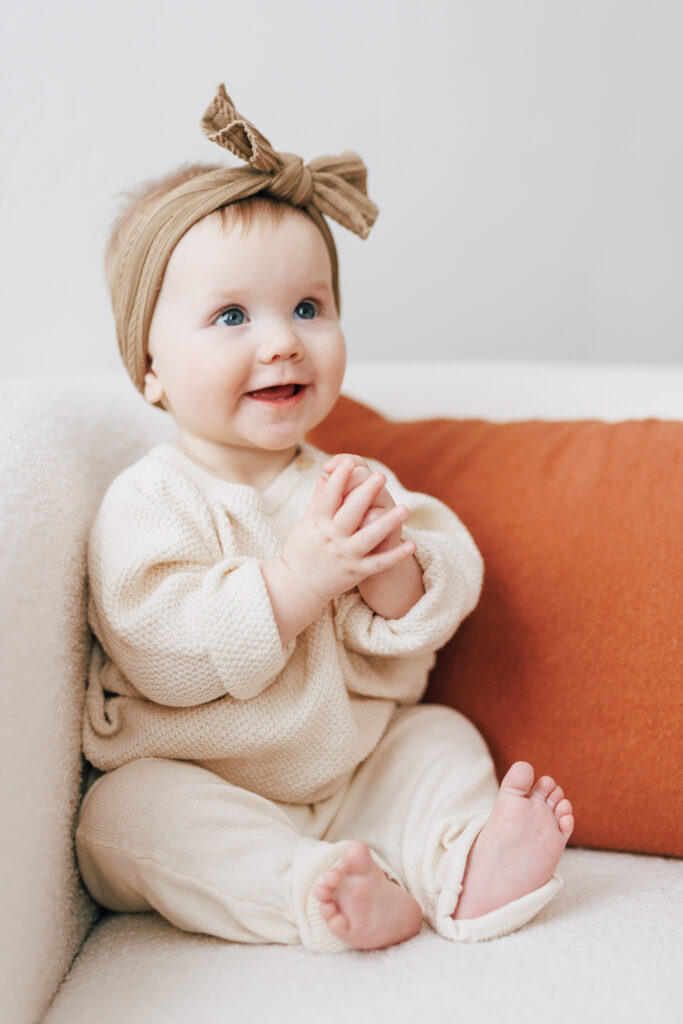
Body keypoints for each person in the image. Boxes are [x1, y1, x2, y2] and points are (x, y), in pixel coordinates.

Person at [76, 84, 574, 954]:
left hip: (353, 767)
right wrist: (295, 583)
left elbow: (440, 589)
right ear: (148, 369)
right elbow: (156, 647)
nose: (282, 341)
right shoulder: (148, 501)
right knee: (117, 821)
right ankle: (311, 889)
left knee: (437, 734)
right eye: (232, 316)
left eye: (308, 308)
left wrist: (394, 578)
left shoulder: (349, 481)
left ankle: (464, 865)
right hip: (207, 778)